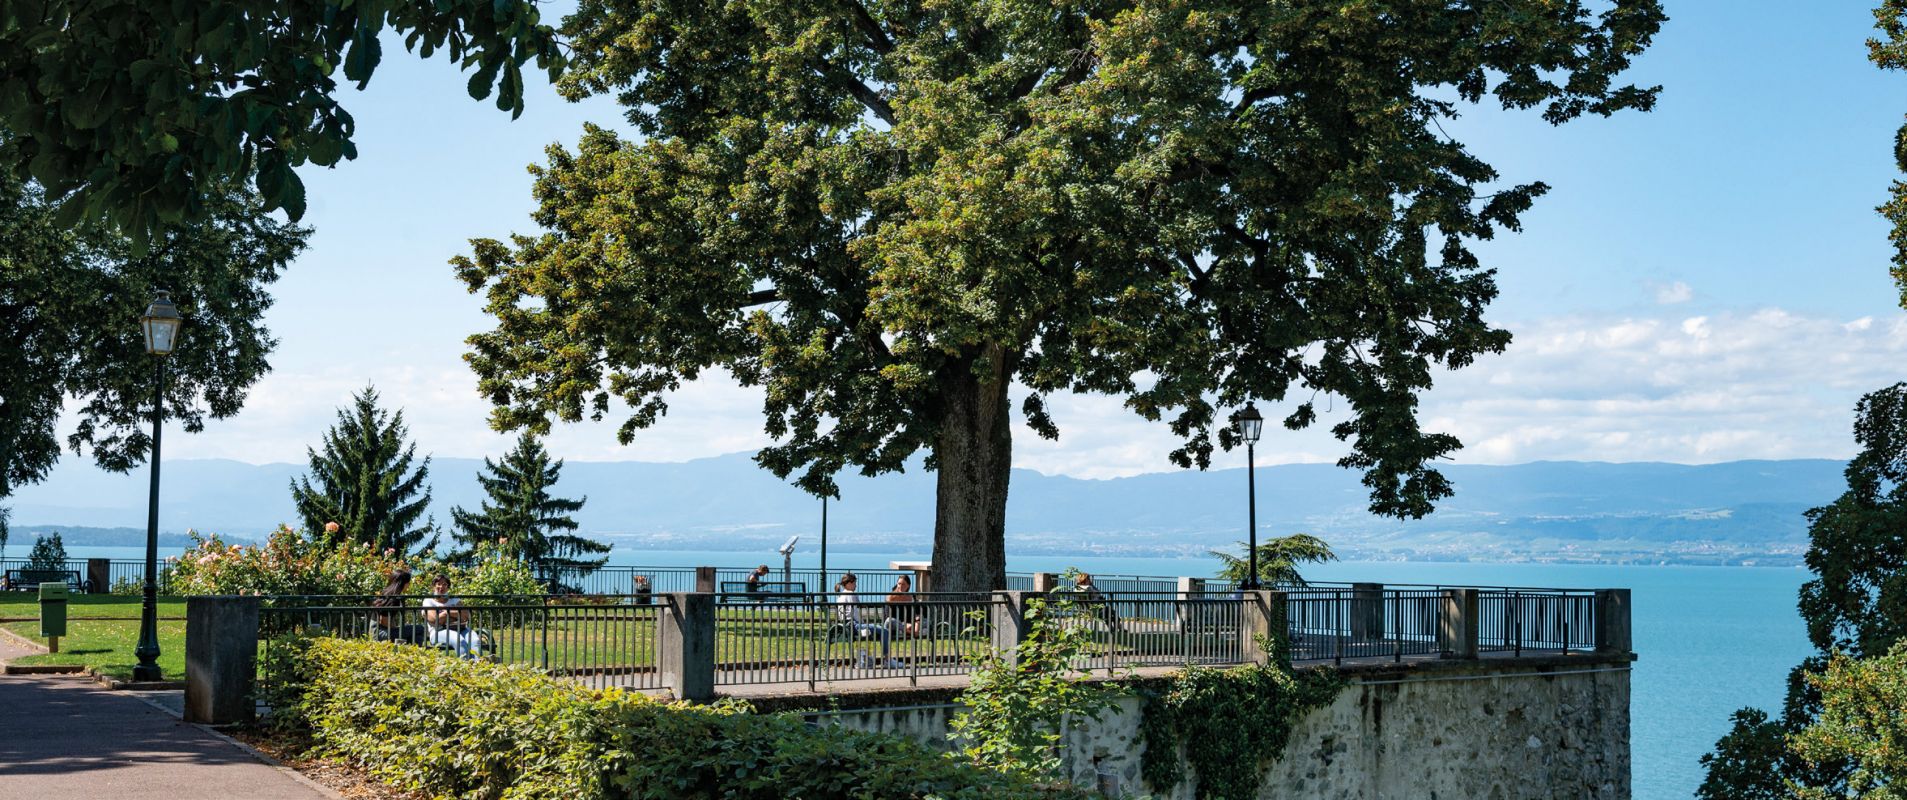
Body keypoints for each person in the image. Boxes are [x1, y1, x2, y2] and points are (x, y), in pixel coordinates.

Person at [834, 573, 903, 669]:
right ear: (849, 583)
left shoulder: (841, 596)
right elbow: (855, 613)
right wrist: (863, 623)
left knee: (880, 630)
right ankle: (888, 660)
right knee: (885, 631)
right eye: (854, 583)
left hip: (847, 626)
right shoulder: (850, 594)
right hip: (854, 625)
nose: (856, 585)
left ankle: (884, 660)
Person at [421, 574, 481, 658]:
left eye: (444, 584)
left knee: (475, 640)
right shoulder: (428, 601)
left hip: (461, 629)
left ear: (448, 587)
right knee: (459, 640)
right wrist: (456, 614)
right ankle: (466, 665)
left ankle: (478, 664)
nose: (441, 587)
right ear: (433, 586)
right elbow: (436, 620)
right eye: (438, 584)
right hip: (438, 632)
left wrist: (446, 613)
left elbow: (466, 616)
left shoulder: (455, 600)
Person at [371, 568, 424, 644]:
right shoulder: (394, 599)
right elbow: (383, 620)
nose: (409, 585)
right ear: (403, 583)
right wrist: (397, 630)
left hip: (376, 631)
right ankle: (415, 649)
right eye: (408, 583)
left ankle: (409, 648)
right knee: (420, 628)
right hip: (381, 633)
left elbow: (389, 619)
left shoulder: (386, 593)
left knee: (413, 632)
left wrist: (398, 629)